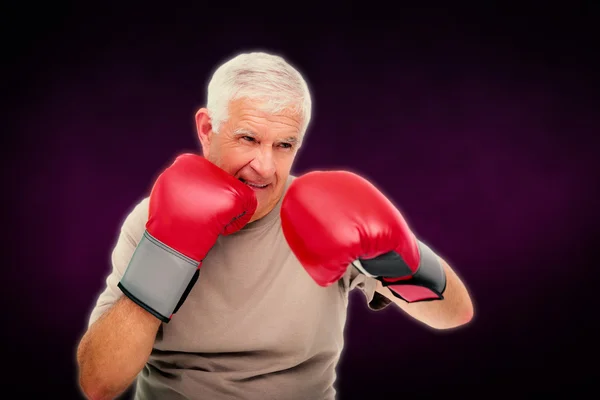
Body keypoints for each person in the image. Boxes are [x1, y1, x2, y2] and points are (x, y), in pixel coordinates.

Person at [76, 51, 475, 400]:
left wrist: (398, 250)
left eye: (283, 145)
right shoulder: (153, 219)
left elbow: (454, 313)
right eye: (248, 138)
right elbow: (100, 383)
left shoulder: (324, 213)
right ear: (207, 129)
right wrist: (168, 252)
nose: (265, 166)